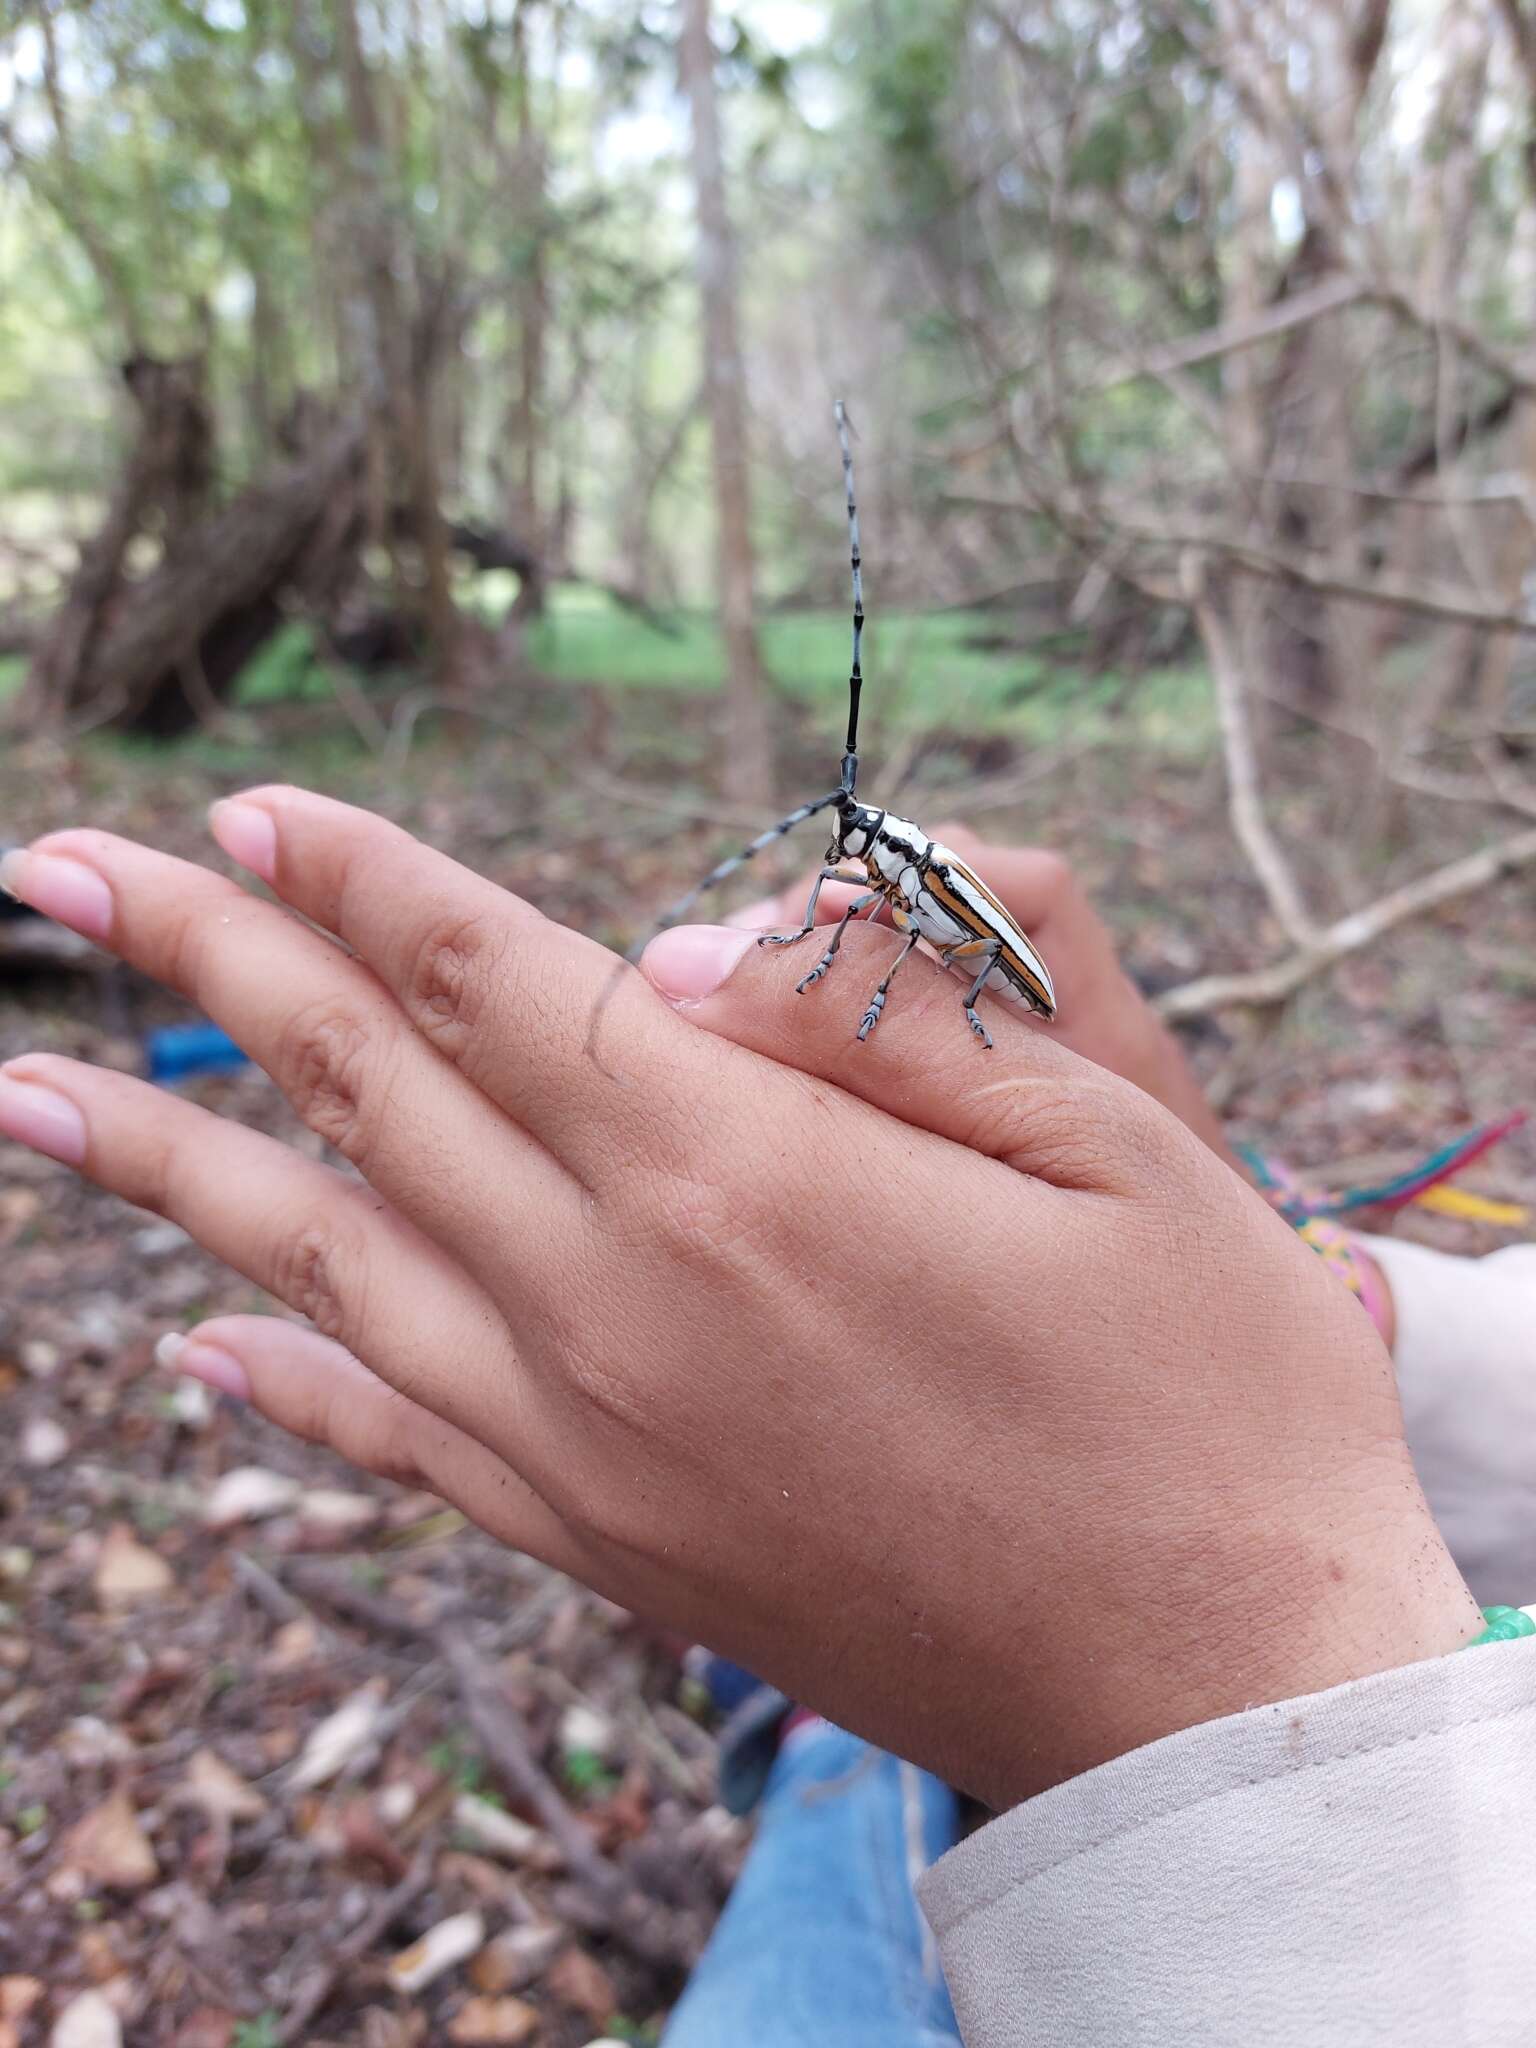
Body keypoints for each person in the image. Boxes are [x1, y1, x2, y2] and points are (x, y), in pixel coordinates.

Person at [0, 787, 1533, 2043]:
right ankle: (858, 1711)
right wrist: (1335, 1307)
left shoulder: (907, 897)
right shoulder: (883, 879)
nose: (849, 863)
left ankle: (844, 1732)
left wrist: (1200, 1688)